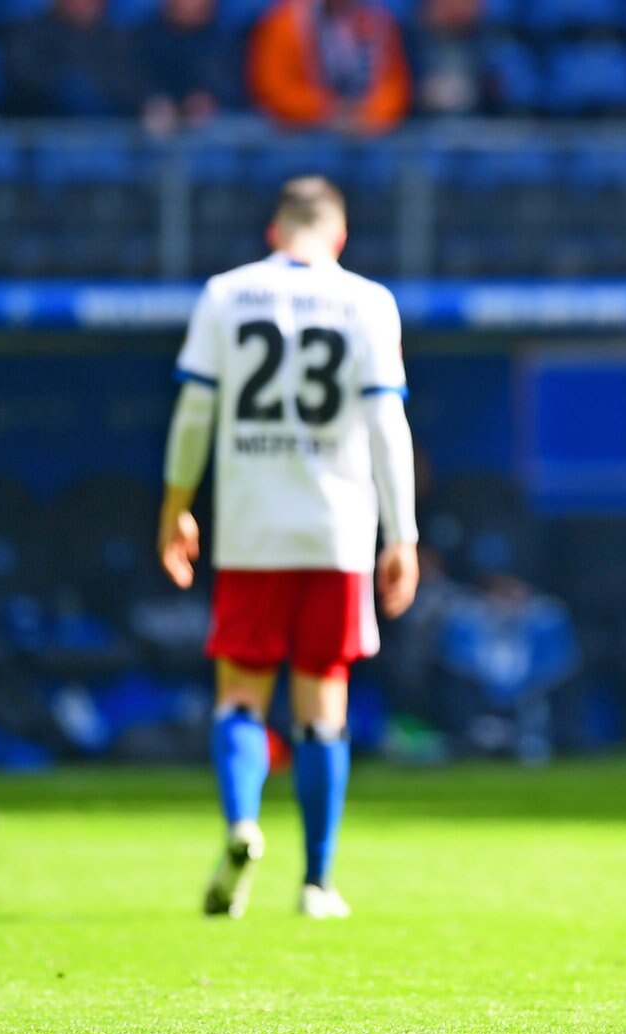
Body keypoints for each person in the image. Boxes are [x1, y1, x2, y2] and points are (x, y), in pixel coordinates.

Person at [158, 176, 419, 919]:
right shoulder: (368, 301)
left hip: (251, 529)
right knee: (321, 705)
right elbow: (386, 428)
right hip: (338, 532)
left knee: (241, 695)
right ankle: (317, 882)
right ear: (338, 237)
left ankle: (243, 823)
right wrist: (402, 533)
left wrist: (177, 505)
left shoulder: (226, 294)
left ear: (274, 233)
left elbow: (193, 410)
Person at [247, 0, 412, 135]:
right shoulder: (285, 21)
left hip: (368, 138)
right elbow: (274, 87)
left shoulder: (378, 21)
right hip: (299, 136)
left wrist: (371, 116)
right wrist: (325, 111)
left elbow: (393, 84)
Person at [3, 0, 139, 118]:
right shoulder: (32, 33)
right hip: (45, 122)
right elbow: (23, 75)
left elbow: (128, 84)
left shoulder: (112, 38)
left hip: (108, 126)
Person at [140, 0, 241, 136]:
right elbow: (132, 85)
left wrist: (212, 100)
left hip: (219, 130)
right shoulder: (143, 39)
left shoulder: (231, 40)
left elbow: (237, 88)